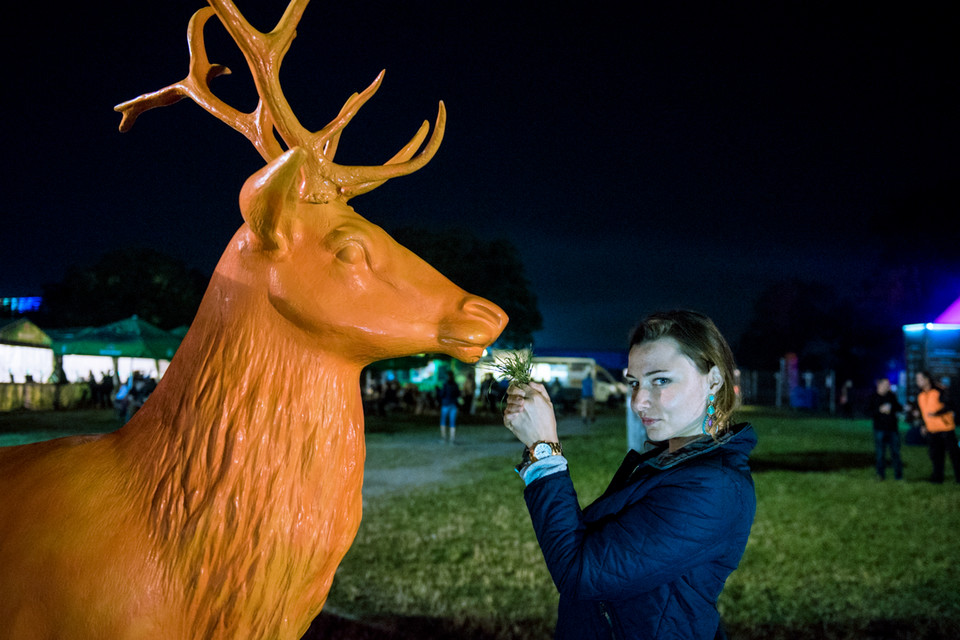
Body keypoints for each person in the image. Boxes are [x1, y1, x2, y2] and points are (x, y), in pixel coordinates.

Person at [503, 310, 756, 639]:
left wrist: (544, 451)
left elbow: (579, 572)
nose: (638, 401)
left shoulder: (714, 487)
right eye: (635, 383)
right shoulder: (669, 461)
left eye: (660, 380)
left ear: (714, 380)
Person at [914, 370, 960, 484]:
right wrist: (923, 425)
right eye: (916, 379)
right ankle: (937, 477)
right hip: (932, 430)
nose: (917, 382)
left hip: (946, 428)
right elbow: (923, 413)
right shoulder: (920, 395)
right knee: (936, 455)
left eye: (919, 379)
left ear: (926, 379)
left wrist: (937, 413)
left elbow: (951, 405)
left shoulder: (939, 390)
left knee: (954, 455)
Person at [867, 377, 903, 480]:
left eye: (889, 385)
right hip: (880, 429)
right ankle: (880, 475)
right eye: (886, 385)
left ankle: (898, 476)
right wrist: (879, 410)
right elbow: (868, 412)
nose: (888, 387)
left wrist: (898, 408)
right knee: (880, 454)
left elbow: (898, 407)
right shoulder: (873, 397)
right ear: (880, 385)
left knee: (895, 453)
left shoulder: (891, 396)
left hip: (892, 429)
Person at [439, 371, 461, 444]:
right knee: (452, 422)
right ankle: (452, 439)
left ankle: (444, 438)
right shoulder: (455, 385)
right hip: (453, 404)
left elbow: (442, 394)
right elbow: (458, 394)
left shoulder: (445, 384)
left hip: (446, 404)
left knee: (443, 421)